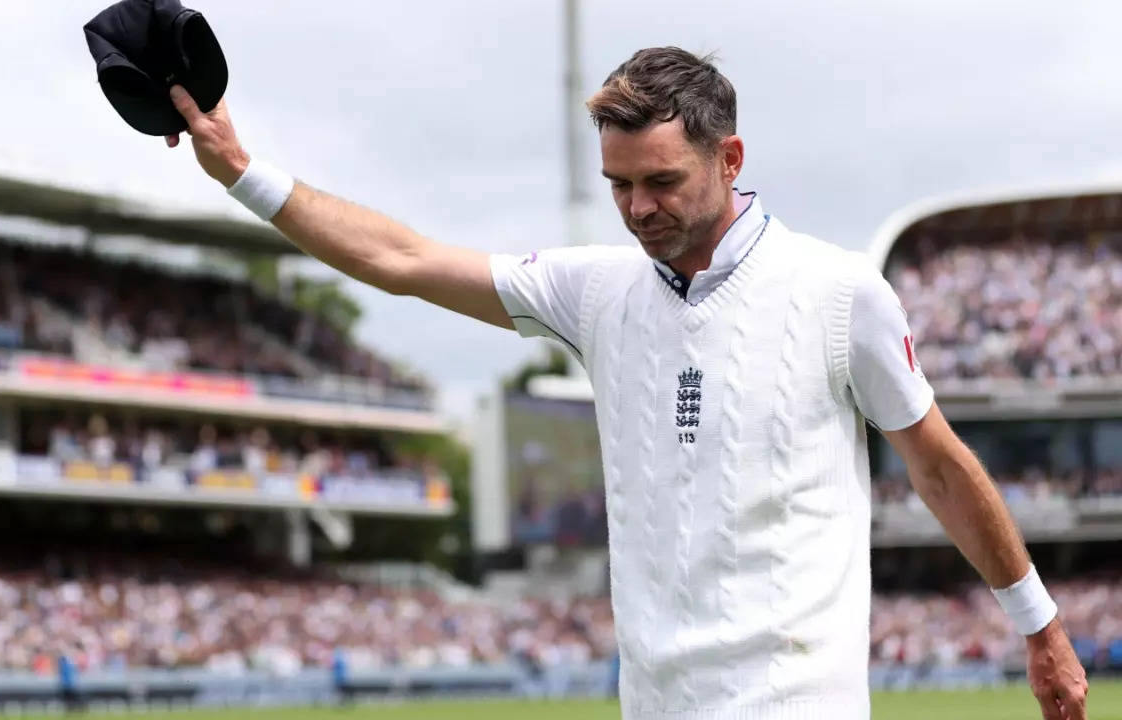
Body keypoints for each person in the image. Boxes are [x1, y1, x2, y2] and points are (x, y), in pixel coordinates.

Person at [163, 47, 1087, 720]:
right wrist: (245, 173)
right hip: (651, 704)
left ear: (729, 160)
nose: (639, 208)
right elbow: (401, 259)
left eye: (663, 181)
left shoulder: (841, 292)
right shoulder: (590, 291)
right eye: (619, 185)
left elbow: (936, 466)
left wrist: (1038, 623)